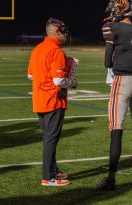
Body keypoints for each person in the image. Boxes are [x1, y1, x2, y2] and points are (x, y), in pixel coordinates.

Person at [96, 0, 132, 190]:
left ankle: (111, 179)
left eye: (113, 9)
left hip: (121, 82)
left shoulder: (113, 29)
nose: (111, 13)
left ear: (121, 10)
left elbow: (106, 63)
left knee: (116, 130)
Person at [27, 17, 77, 187]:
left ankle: (53, 170)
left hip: (39, 98)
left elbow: (31, 76)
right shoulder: (56, 51)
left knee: (48, 137)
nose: (65, 35)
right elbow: (58, 81)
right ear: (57, 32)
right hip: (53, 100)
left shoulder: (38, 48)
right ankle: (48, 177)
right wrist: (73, 83)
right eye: (63, 31)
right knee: (51, 138)